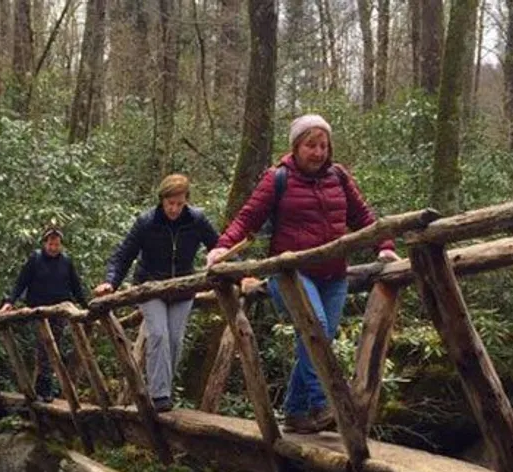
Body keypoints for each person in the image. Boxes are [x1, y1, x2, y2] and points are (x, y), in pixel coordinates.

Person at [206, 114, 401, 433]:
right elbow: (248, 218)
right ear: (295, 147)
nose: (318, 152)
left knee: (318, 339)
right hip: (291, 277)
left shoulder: (339, 176)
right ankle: (325, 404)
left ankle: (295, 412)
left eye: (324, 145)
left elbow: (363, 216)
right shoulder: (277, 178)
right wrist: (222, 247)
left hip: (334, 275)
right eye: (311, 145)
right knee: (317, 328)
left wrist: (384, 245)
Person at [94, 174, 219, 412]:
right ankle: (159, 395)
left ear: (186, 201)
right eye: (170, 203)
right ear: (161, 200)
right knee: (159, 334)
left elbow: (219, 246)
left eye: (179, 204)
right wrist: (110, 282)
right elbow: (123, 255)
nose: (174, 209)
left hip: (183, 289)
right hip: (150, 286)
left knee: (174, 340)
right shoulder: (147, 222)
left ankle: (165, 391)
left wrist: (235, 271)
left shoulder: (196, 220)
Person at [2, 226, 87, 402]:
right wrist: (10, 301)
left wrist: (86, 307)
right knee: (45, 346)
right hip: (38, 311)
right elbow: (21, 281)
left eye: (56, 244)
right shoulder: (35, 259)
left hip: (59, 309)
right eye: (50, 244)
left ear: (61, 245)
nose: (53, 247)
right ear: (45, 243)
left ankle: (44, 389)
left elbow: (75, 285)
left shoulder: (66, 262)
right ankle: (43, 390)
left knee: (52, 346)